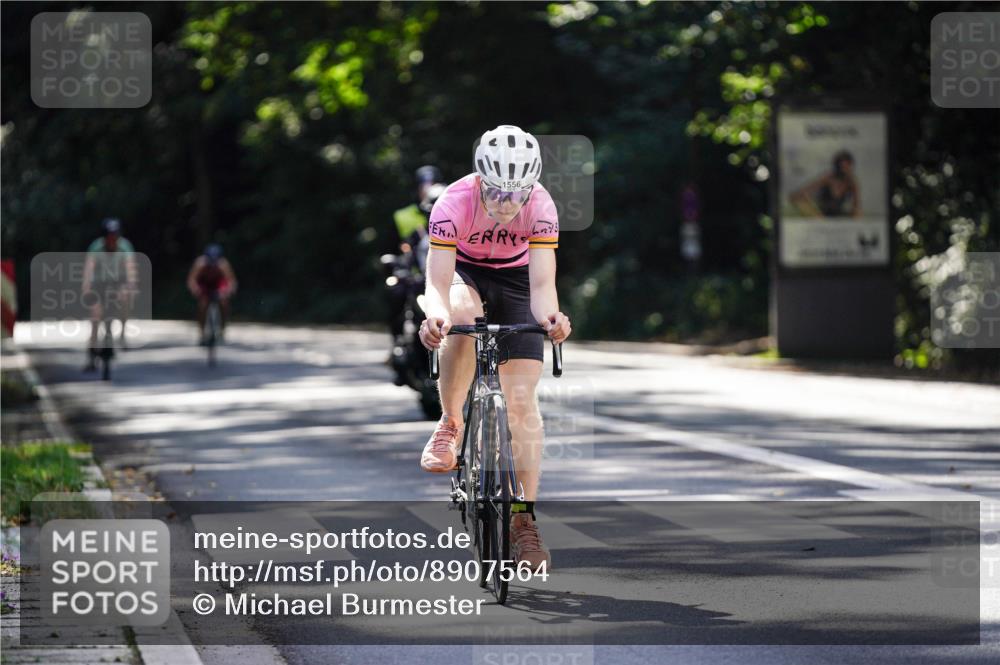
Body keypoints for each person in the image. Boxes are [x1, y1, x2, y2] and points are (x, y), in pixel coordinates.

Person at [417, 125, 571, 573]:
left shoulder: (541, 205)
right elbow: (437, 283)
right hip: (463, 272)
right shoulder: (453, 203)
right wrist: (436, 317)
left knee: (523, 403)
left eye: (516, 194)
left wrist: (552, 321)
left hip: (517, 278)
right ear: (480, 180)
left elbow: (543, 286)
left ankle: (523, 519)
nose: (507, 204)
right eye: (498, 193)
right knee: (463, 319)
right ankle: (450, 423)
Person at [81, 218, 137, 370]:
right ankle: (91, 356)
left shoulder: (125, 247)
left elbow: (130, 269)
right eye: (109, 236)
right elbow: (88, 270)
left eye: (115, 236)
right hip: (99, 284)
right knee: (95, 317)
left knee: (126, 298)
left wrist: (129, 285)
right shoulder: (96, 247)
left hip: (118, 283)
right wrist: (87, 289)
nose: (112, 239)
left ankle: (123, 333)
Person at [186, 244, 237, 343]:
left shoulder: (223, 264)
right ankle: (202, 334)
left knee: (224, 304)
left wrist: (227, 291)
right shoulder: (200, 263)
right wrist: (196, 290)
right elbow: (192, 280)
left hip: (218, 284)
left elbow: (231, 281)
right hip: (204, 284)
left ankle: (222, 331)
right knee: (203, 305)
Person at [789, 150, 861, 218]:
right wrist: (800, 197)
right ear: (836, 166)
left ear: (850, 166)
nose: (844, 170)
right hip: (821, 214)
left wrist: (854, 215)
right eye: (841, 167)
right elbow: (808, 189)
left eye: (847, 167)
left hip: (839, 214)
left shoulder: (852, 182)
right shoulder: (828, 178)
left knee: (857, 214)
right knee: (798, 200)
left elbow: (856, 205)